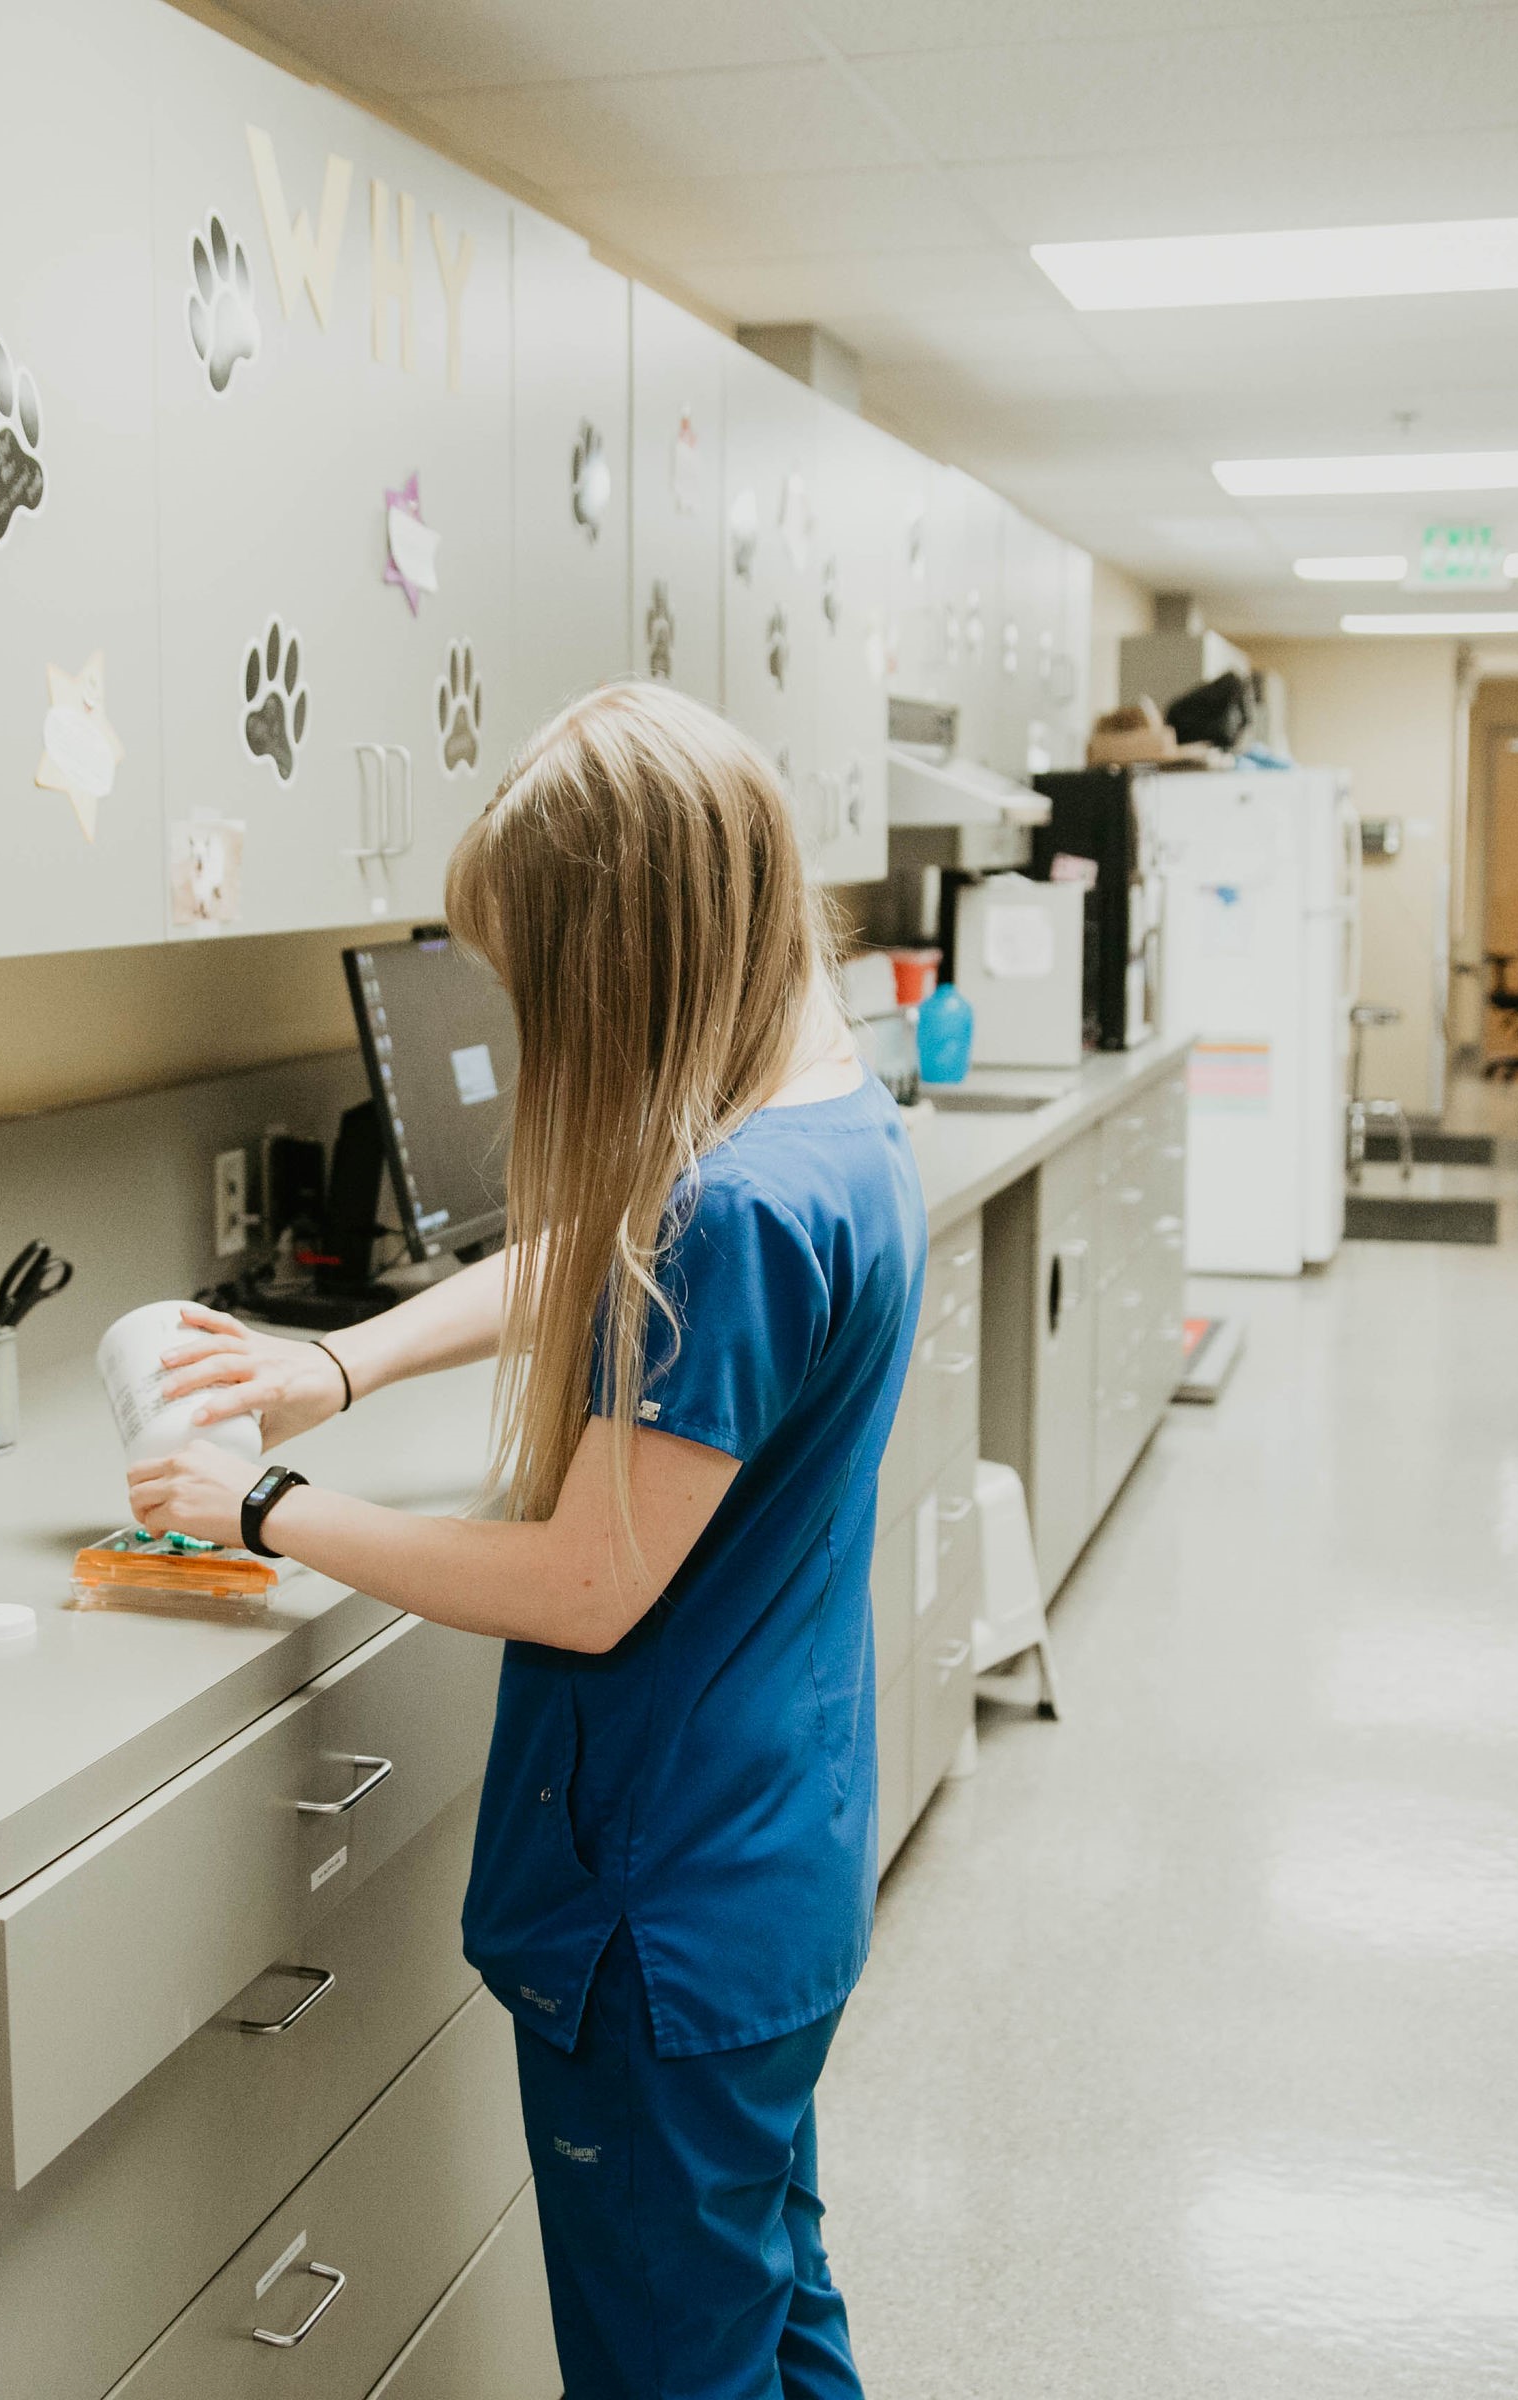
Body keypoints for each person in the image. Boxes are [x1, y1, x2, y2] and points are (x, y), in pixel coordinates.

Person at [125, 683, 922, 2400]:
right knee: (773, 2293)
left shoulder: (745, 1212)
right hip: (777, 1862)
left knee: (674, 2365)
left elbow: (583, 1579)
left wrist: (266, 1508)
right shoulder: (828, 1114)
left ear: (622, 966)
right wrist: (337, 1362)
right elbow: (602, 1245)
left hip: (667, 1917)